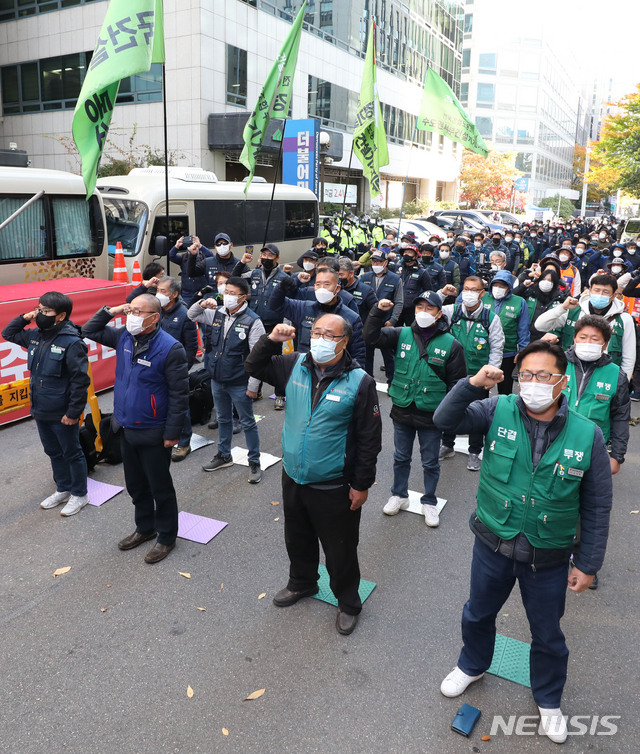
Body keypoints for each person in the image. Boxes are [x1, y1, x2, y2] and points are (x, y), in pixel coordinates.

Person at [433, 341, 613, 745]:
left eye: (542, 376)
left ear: (562, 382)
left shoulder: (588, 434)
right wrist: (473, 384)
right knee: (478, 614)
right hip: (493, 541)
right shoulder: (497, 409)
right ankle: (472, 664)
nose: (532, 383)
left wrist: (588, 563)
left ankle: (548, 698)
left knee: (547, 633)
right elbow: (445, 420)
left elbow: (598, 506)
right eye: (525, 375)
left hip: (547, 555)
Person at [245, 315, 382, 635]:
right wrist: (270, 340)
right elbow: (254, 366)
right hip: (293, 474)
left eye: (328, 334)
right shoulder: (295, 364)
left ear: (344, 341)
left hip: (334, 483)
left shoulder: (360, 381)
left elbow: (369, 438)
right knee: (297, 537)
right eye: (316, 332)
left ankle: (348, 602)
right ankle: (302, 582)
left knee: (340, 548)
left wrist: (361, 485)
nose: (320, 338)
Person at [82, 295, 189, 564]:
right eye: (131, 310)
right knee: (135, 485)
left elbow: (179, 394)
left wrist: (172, 433)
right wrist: (113, 309)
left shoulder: (170, 348)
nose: (131, 315)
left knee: (160, 487)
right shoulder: (125, 337)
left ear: (154, 317)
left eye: (138, 311)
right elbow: (89, 329)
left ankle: (166, 536)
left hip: (153, 429)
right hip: (125, 425)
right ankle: (145, 527)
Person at [363, 291, 466, 525]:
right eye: (419, 307)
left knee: (430, 461)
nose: (423, 312)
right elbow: (370, 336)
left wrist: (449, 416)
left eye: (429, 308)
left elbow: (457, 386)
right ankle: (399, 495)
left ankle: (429, 501)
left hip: (431, 413)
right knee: (400, 457)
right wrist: (378, 311)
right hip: (402, 407)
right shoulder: (402, 334)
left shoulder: (452, 345)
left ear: (439, 314)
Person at [2, 292, 90, 516]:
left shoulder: (71, 342)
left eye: (45, 311)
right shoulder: (35, 336)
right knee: (52, 450)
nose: (40, 314)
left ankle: (80, 494)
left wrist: (73, 412)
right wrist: (26, 317)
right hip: (41, 409)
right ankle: (63, 488)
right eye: (38, 309)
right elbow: (8, 332)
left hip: (62, 412)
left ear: (60, 316)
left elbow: (80, 381)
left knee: (72, 452)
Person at [561, 315, 629, 590]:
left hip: (592, 451)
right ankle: (547, 550)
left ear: (605, 344)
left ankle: (582, 559)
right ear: (574, 338)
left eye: (595, 339)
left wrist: (617, 455)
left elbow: (621, 417)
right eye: (583, 337)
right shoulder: (557, 362)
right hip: (553, 444)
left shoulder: (616, 375)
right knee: (553, 497)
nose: (588, 343)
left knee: (587, 507)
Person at [187, 277, 265, 483]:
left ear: (243, 297)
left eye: (232, 293)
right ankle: (224, 454)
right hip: (217, 378)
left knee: (248, 422)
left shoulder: (253, 321)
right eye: (226, 292)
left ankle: (255, 461)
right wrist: (202, 303)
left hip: (240, 382)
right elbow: (190, 314)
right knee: (223, 419)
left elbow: (258, 357)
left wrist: (253, 386)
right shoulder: (218, 313)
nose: (227, 296)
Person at [437, 277, 505, 470]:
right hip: (453, 373)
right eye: (466, 289)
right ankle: (447, 445)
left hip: (478, 375)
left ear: (482, 293)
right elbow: (431, 307)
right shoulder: (452, 311)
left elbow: (497, 348)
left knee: (477, 412)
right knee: (451, 409)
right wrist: (443, 294)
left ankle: (475, 451)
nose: (469, 293)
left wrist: (491, 376)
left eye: (474, 290)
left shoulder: (491, 318)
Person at [534, 273, 636, 380]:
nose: (600, 294)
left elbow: (629, 356)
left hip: (605, 376)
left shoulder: (624, 319)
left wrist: (622, 382)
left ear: (614, 295)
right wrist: (562, 308)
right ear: (590, 290)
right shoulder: (574, 310)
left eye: (605, 292)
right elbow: (540, 325)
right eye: (596, 290)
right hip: (571, 373)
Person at [268, 268, 366, 366]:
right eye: (318, 284)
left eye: (327, 284)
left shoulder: (351, 318)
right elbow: (275, 305)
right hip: (304, 370)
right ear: (314, 287)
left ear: (337, 288)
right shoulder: (304, 308)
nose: (322, 288)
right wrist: (281, 287)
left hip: (335, 375)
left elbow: (358, 356)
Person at [233, 243, 288, 407]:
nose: (266, 258)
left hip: (275, 325)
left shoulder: (284, 278)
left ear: (277, 258)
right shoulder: (255, 273)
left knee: (277, 361)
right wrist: (242, 262)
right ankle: (256, 391)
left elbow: (290, 301)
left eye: (270, 256)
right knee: (256, 358)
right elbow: (235, 279)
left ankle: (280, 395)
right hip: (256, 323)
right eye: (263, 255)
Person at [155, 276, 198, 461]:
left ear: (174, 294)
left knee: (180, 406)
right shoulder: (157, 311)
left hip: (176, 370)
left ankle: (184, 442)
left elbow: (191, 346)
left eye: (163, 291)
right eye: (157, 290)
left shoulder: (184, 314)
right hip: (156, 366)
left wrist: (183, 370)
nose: (158, 294)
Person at [483, 271, 530, 393]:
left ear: (509, 288)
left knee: (505, 388)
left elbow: (523, 329)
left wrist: (523, 352)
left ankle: (503, 410)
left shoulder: (519, 302)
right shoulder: (483, 297)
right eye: (495, 285)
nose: (498, 289)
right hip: (482, 349)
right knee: (481, 385)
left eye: (502, 286)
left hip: (507, 352)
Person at [359, 250, 404, 380]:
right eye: (373, 261)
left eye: (378, 261)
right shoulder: (365, 277)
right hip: (368, 323)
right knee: (367, 355)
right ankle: (367, 380)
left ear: (385, 263)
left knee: (388, 355)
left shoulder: (395, 279)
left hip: (386, 322)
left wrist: (393, 320)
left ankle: (391, 380)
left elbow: (399, 302)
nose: (375, 264)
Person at [169, 235, 213, 304]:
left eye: (193, 244)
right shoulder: (183, 257)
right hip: (187, 294)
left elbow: (212, 257)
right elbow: (171, 256)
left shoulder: (203, 257)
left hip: (202, 292)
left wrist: (200, 246)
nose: (192, 246)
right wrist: (177, 246)